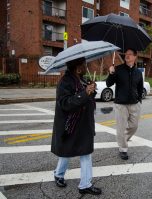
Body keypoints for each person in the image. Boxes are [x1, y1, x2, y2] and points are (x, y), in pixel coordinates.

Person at [51, 57, 102, 195]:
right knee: (67, 151)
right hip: (71, 124)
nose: (86, 67)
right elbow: (66, 103)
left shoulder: (81, 79)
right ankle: (59, 174)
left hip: (83, 124)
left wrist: (92, 89)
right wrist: (85, 93)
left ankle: (84, 184)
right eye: (84, 65)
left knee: (85, 152)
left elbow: (87, 97)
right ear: (78, 67)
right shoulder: (65, 82)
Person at [106, 48, 143, 160]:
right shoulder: (118, 69)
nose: (127, 56)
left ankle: (122, 139)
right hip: (121, 105)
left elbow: (140, 87)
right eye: (126, 54)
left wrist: (139, 99)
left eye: (130, 54)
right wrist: (111, 73)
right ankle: (123, 149)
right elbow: (108, 83)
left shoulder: (138, 72)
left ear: (135, 56)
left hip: (134, 104)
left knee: (134, 126)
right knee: (121, 128)